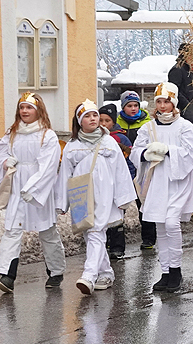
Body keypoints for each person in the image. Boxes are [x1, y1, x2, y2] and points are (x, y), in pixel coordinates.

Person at [58, 100, 137, 294]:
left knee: (96, 232)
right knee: (89, 232)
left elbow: (120, 171)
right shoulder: (72, 146)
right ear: (79, 121)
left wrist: (124, 197)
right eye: (87, 116)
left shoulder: (109, 142)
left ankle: (89, 275)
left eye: (94, 115)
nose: (92, 119)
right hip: (81, 194)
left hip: (104, 194)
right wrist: (61, 202)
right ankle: (106, 272)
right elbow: (64, 174)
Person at [0, 92, 66, 293]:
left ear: (38, 110)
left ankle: (56, 272)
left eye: (29, 107)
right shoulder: (12, 133)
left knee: (47, 231)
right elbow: (1, 154)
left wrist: (33, 187)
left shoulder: (47, 135)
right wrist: (6, 161)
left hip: (38, 189)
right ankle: (7, 276)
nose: (24, 111)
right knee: (12, 229)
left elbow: (48, 165)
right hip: (17, 186)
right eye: (21, 107)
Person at [130, 82, 193, 293]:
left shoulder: (185, 126)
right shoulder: (148, 128)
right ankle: (165, 271)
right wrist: (145, 154)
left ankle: (176, 269)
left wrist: (168, 149)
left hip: (177, 181)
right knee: (160, 224)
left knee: (171, 223)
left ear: (174, 103)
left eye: (166, 101)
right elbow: (135, 152)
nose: (162, 106)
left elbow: (192, 154)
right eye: (159, 101)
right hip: (157, 181)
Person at [117, 90, 156, 250]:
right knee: (121, 205)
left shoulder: (147, 123)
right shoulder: (117, 123)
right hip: (124, 170)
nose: (133, 108)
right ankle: (115, 241)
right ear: (123, 107)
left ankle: (148, 238)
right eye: (129, 105)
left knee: (144, 204)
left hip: (142, 169)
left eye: (135, 105)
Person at [99, 104, 136, 259]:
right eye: (100, 120)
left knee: (118, 216)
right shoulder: (95, 138)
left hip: (118, 184)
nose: (103, 124)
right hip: (102, 184)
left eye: (107, 120)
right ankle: (104, 244)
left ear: (113, 122)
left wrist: (129, 179)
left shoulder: (120, 139)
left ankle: (117, 247)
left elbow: (129, 161)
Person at [168, 43, 193, 124]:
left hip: (191, 113)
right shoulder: (177, 70)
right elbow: (174, 91)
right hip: (183, 114)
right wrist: (188, 107)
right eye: (192, 54)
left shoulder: (189, 70)